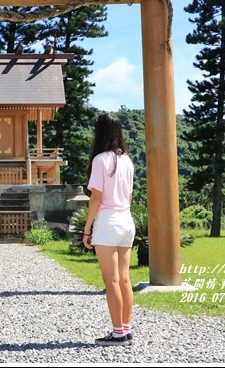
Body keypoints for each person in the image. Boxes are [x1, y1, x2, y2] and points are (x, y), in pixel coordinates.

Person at [82, 112, 136, 346]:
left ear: (99, 133)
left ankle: (117, 334)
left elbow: (96, 197)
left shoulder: (100, 159)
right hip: (126, 220)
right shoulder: (127, 160)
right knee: (124, 279)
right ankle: (126, 329)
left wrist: (87, 229)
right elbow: (130, 197)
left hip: (108, 221)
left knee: (111, 280)